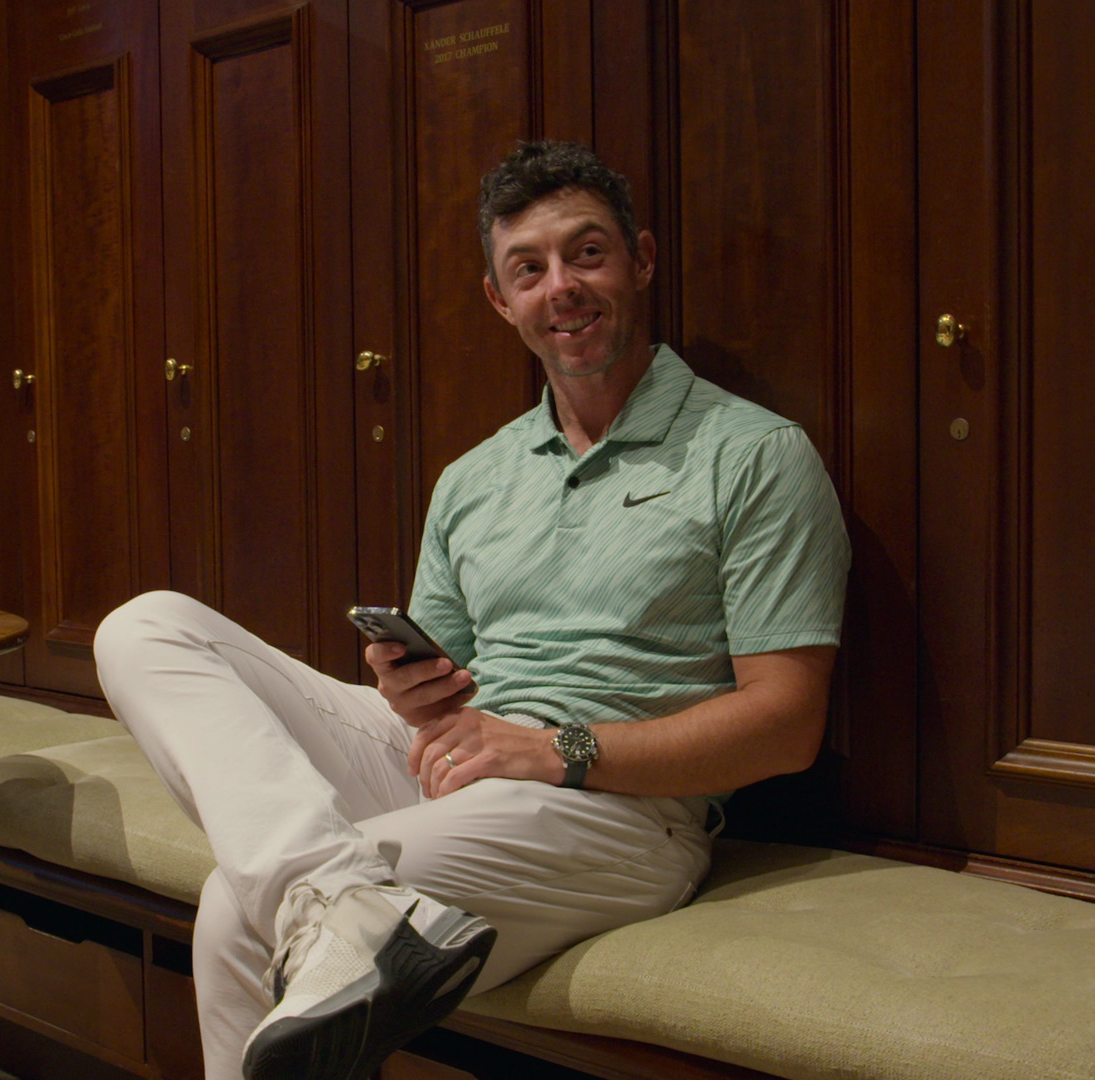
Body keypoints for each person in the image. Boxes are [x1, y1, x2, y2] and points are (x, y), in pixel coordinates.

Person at [94, 140, 850, 1080]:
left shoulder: (753, 454)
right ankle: (342, 902)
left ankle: (340, 906)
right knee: (146, 624)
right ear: (501, 301)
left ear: (642, 260)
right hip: (459, 768)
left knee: (234, 908)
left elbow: (787, 724)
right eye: (528, 270)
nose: (561, 287)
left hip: (618, 808)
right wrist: (415, 690)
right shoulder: (475, 477)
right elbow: (449, 700)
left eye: (587, 254)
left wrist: (555, 749)